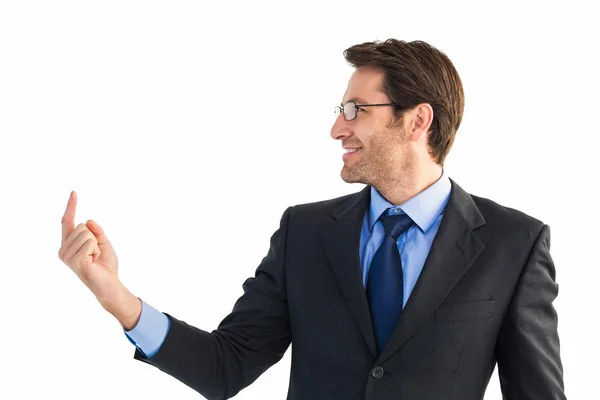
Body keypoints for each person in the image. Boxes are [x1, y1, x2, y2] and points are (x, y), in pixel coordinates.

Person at [58, 39, 566, 400]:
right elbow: (224, 367)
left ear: (417, 120)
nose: (335, 128)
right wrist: (118, 299)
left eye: (355, 109)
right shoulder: (304, 233)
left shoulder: (513, 244)